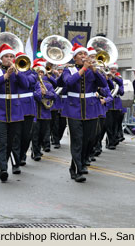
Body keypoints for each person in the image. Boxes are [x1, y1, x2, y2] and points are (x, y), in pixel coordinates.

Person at [61, 43, 107, 182]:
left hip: (91, 108)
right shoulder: (68, 70)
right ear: (74, 58)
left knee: (89, 140)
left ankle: (80, 164)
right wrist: (84, 69)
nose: (83, 56)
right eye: (80, 54)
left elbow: (104, 84)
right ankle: (76, 169)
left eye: (85, 54)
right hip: (73, 108)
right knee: (77, 141)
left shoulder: (92, 70)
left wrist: (93, 70)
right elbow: (68, 83)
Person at [0, 44, 29, 182]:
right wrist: (7, 75)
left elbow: (26, 85)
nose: (10, 59)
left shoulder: (19, 72)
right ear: (1, 59)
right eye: (7, 56)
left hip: (15, 110)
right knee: (1, 141)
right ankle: (4, 168)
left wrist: (16, 72)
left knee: (11, 141)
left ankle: (3, 165)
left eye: (12, 56)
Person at [31, 63, 57, 161]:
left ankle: (39, 147)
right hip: (35, 112)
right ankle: (36, 152)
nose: (40, 74)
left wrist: (45, 93)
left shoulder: (49, 84)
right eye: (38, 72)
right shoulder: (31, 84)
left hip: (45, 113)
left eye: (42, 72)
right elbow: (32, 95)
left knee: (43, 134)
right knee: (35, 134)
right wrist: (38, 92)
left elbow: (54, 96)